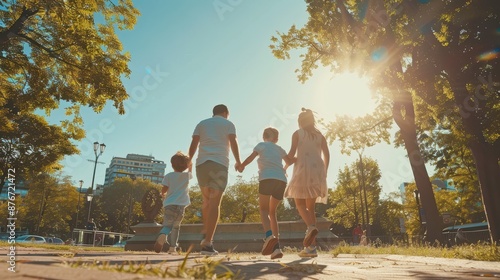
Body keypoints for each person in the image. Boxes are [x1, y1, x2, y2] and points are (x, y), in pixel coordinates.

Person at [188, 104, 241, 256]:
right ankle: (207, 242)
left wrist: (189, 160)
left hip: (202, 165)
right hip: (219, 164)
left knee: (206, 201)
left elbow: (194, 143)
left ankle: (206, 231)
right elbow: (233, 142)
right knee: (214, 203)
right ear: (225, 113)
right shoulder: (228, 124)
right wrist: (238, 161)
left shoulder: (202, 123)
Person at [237, 127, 294, 260]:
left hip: (267, 178)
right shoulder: (279, 148)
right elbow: (289, 161)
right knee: (272, 212)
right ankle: (276, 248)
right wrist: (287, 166)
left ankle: (269, 236)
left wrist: (242, 166)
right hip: (281, 180)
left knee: (263, 210)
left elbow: (251, 158)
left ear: (264, 136)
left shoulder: (261, 145)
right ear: (276, 139)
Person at [284, 108, 329, 258]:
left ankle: (310, 228)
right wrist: (325, 172)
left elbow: (291, 154)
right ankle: (312, 248)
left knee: (299, 204)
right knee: (311, 208)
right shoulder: (320, 136)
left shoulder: (297, 134)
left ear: (300, 122)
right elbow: (327, 154)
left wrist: (284, 165)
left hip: (302, 169)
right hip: (317, 171)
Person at [154, 151, 192, 254]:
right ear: (186, 166)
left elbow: (164, 189)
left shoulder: (169, 176)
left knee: (167, 225)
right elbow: (190, 169)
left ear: (172, 164)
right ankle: (172, 248)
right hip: (181, 206)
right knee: (176, 227)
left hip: (169, 205)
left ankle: (163, 234)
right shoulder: (186, 176)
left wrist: (163, 194)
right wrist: (190, 163)